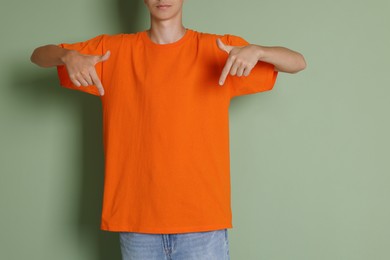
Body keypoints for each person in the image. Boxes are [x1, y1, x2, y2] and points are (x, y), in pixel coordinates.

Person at [30, 0, 306, 259]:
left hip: (202, 222)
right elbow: (38, 56)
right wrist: (68, 56)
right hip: (136, 222)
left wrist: (258, 50)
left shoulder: (218, 49)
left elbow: (297, 62)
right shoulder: (111, 52)